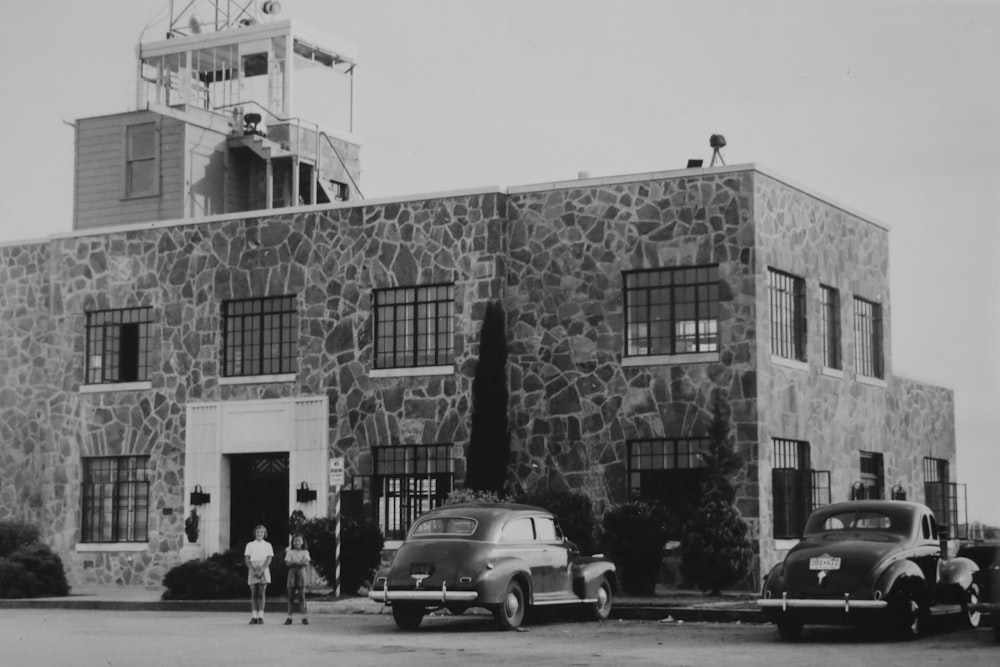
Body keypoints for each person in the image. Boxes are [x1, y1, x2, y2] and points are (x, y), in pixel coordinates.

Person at [244, 524, 273, 625]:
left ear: (264, 533)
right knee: (254, 593)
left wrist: (262, 570)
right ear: (254, 533)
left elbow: (269, 558)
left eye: (261, 532)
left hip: (263, 567)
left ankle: (260, 615)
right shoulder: (250, 545)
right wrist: (253, 570)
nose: (259, 534)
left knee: (261, 593)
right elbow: (247, 559)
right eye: (257, 532)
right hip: (253, 568)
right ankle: (254, 616)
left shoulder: (268, 545)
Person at [284, 533, 312, 625]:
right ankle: (289, 617)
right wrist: (299, 562)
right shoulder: (290, 552)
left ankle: (304, 617)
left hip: (301, 573)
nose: (297, 542)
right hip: (292, 574)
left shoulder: (305, 552)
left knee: (302, 596)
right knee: (291, 596)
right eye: (295, 540)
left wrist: (294, 562)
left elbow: (306, 563)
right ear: (292, 542)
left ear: (302, 542)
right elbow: (287, 564)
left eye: (299, 540)